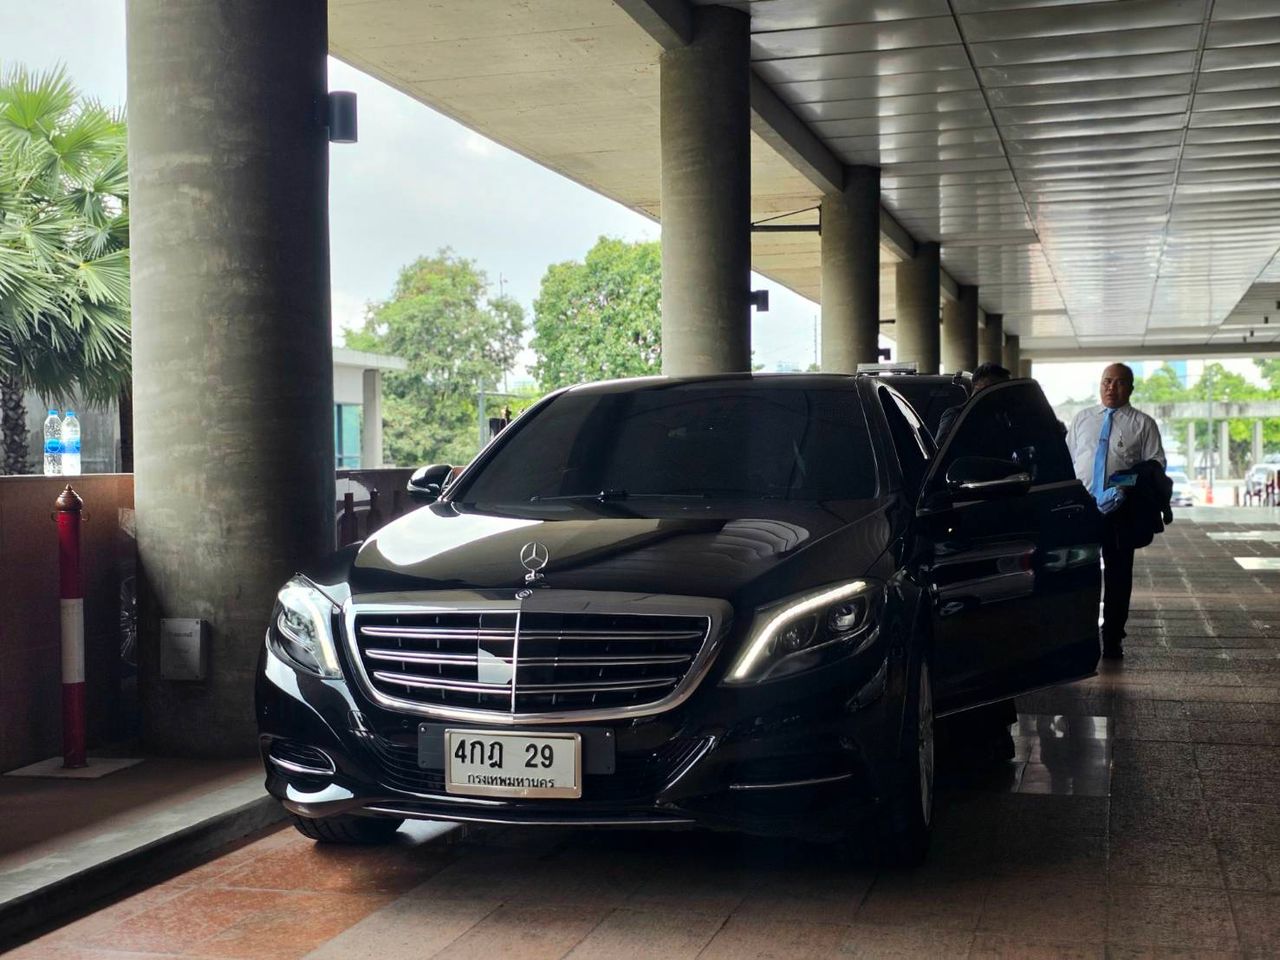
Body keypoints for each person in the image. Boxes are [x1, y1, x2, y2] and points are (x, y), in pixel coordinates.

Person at [1066, 363, 1166, 659]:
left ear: (1130, 388)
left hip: (1121, 511)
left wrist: (1122, 488)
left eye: (1119, 382)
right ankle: (1078, 634)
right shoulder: (1083, 419)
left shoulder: (1142, 424)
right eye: (1107, 381)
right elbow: (1068, 461)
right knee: (1079, 572)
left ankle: (1112, 636)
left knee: (1119, 575)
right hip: (1083, 508)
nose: (1112, 387)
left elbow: (1155, 466)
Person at [935, 361, 1012, 442]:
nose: (998, 394)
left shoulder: (1001, 417)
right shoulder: (957, 415)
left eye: (1003, 390)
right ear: (976, 385)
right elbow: (942, 445)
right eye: (992, 387)